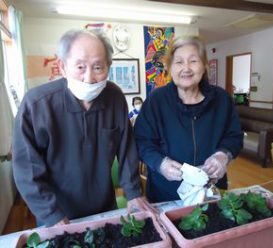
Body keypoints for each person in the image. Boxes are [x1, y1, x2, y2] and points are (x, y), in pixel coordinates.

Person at [12, 29, 153, 227]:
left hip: (105, 208)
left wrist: (133, 193)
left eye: (98, 67)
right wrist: (51, 214)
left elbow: (126, 147)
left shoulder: (114, 97)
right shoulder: (36, 105)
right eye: (80, 67)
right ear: (62, 66)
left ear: (108, 66)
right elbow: (26, 169)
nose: (89, 78)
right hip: (56, 214)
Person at [134, 35, 243, 203]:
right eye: (178, 62)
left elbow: (234, 136)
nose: (186, 68)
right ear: (170, 68)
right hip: (165, 192)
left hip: (210, 190)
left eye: (193, 61)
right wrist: (160, 163)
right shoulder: (156, 101)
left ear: (205, 65)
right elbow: (142, 142)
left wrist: (223, 155)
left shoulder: (221, 99)